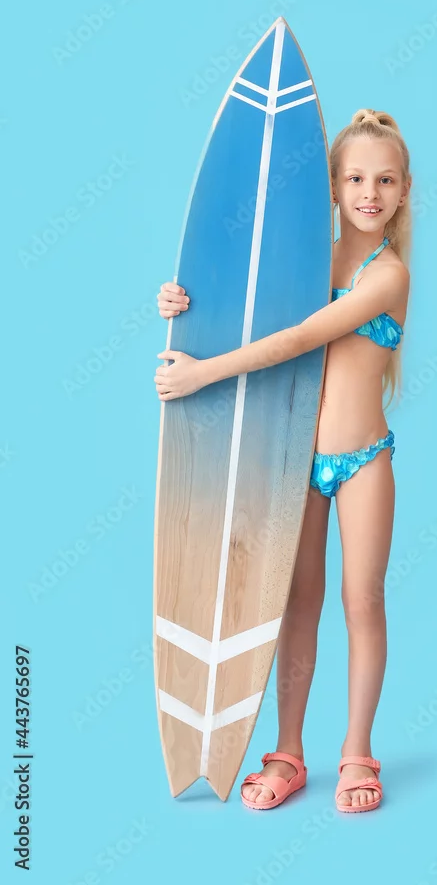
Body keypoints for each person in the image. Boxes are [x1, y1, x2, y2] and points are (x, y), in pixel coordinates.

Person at [155, 108, 412, 812]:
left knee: (362, 603)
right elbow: (237, 307)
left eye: (384, 180)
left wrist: (202, 375)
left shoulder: (387, 275)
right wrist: (181, 303)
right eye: (355, 178)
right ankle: (287, 753)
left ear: (403, 191)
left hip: (361, 461)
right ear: (331, 186)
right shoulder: (300, 260)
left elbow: (296, 339)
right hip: (296, 463)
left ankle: (357, 754)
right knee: (294, 606)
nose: (369, 192)